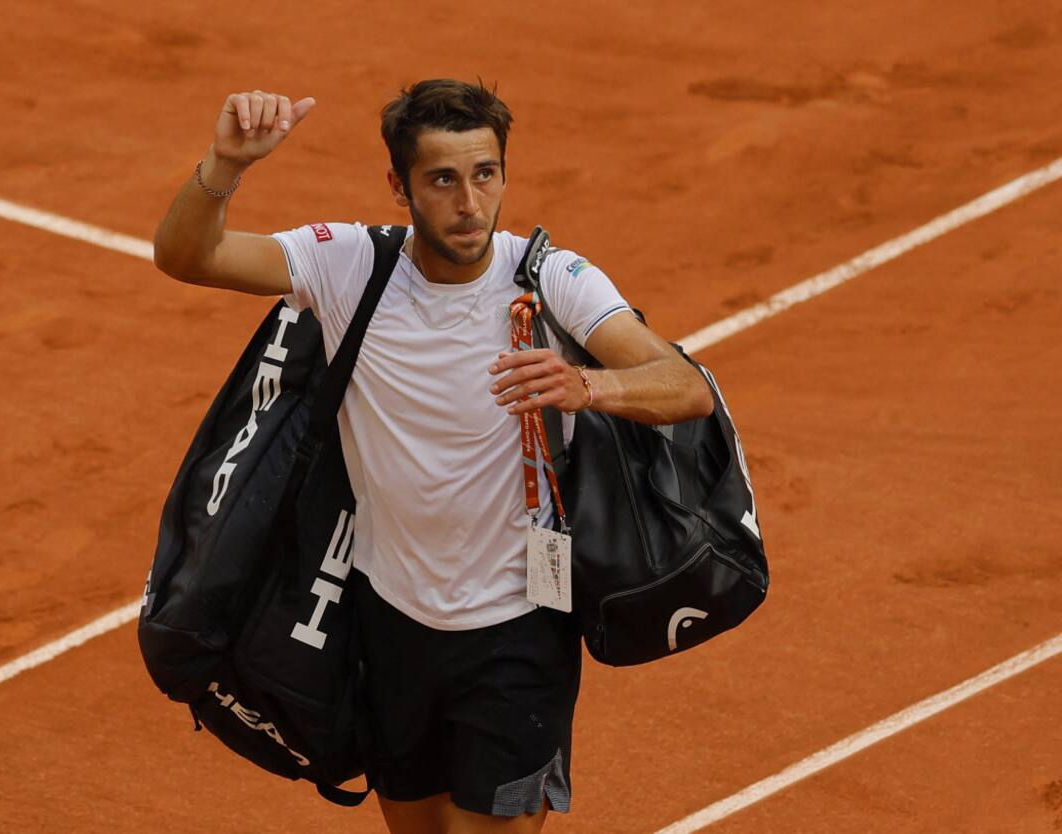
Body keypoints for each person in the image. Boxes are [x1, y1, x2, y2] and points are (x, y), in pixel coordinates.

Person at [153, 79, 713, 834]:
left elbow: (686, 387)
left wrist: (588, 385)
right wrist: (226, 164)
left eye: (485, 174)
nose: (471, 204)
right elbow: (189, 256)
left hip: (518, 631)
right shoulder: (350, 265)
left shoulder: (552, 279)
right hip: (388, 624)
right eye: (443, 180)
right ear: (399, 186)